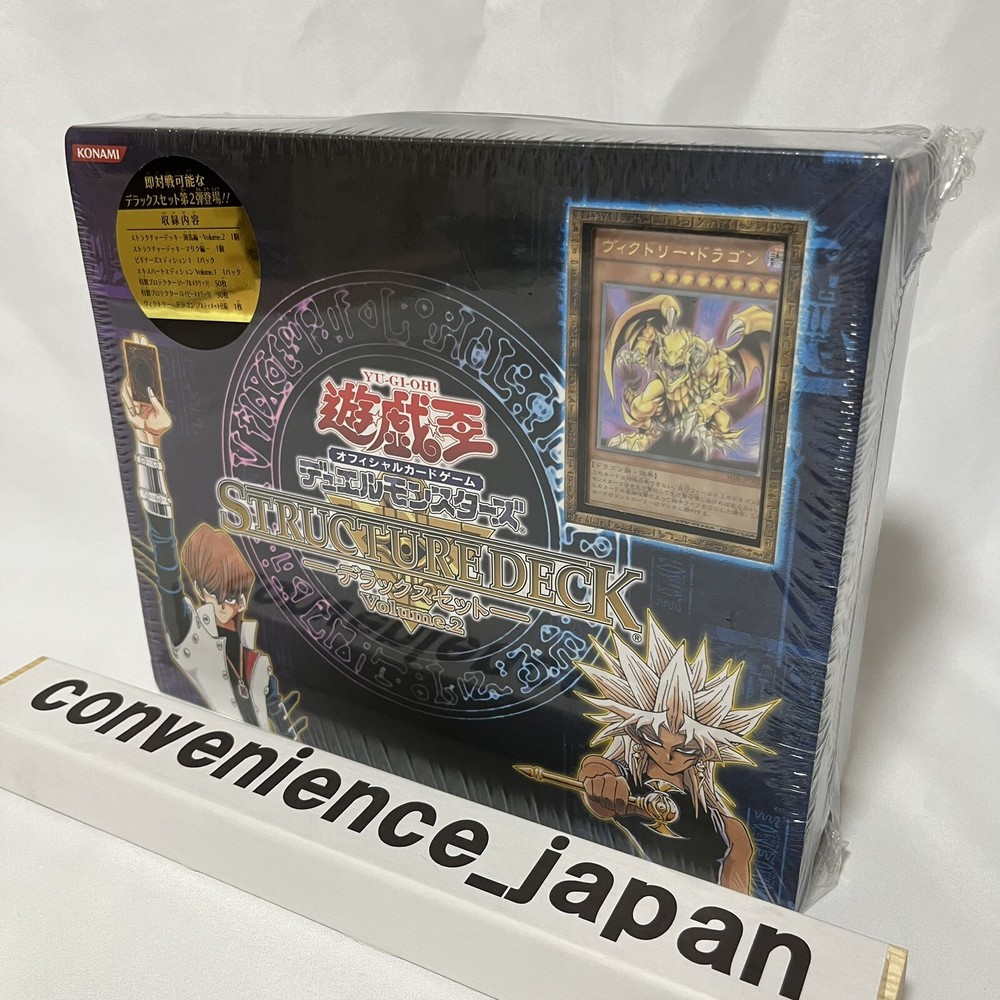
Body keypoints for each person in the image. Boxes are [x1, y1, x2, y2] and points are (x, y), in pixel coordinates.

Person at [120, 345, 305, 740]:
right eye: (218, 594)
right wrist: (148, 443)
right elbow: (165, 553)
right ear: (200, 590)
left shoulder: (256, 660)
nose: (229, 605)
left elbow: (283, 724)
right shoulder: (188, 633)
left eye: (235, 596)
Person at [575, 617, 777, 893]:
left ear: (705, 751)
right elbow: (596, 771)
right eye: (654, 740)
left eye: (684, 748)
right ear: (636, 733)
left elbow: (735, 904)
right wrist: (603, 784)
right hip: (605, 888)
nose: (668, 755)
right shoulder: (623, 778)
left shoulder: (729, 832)